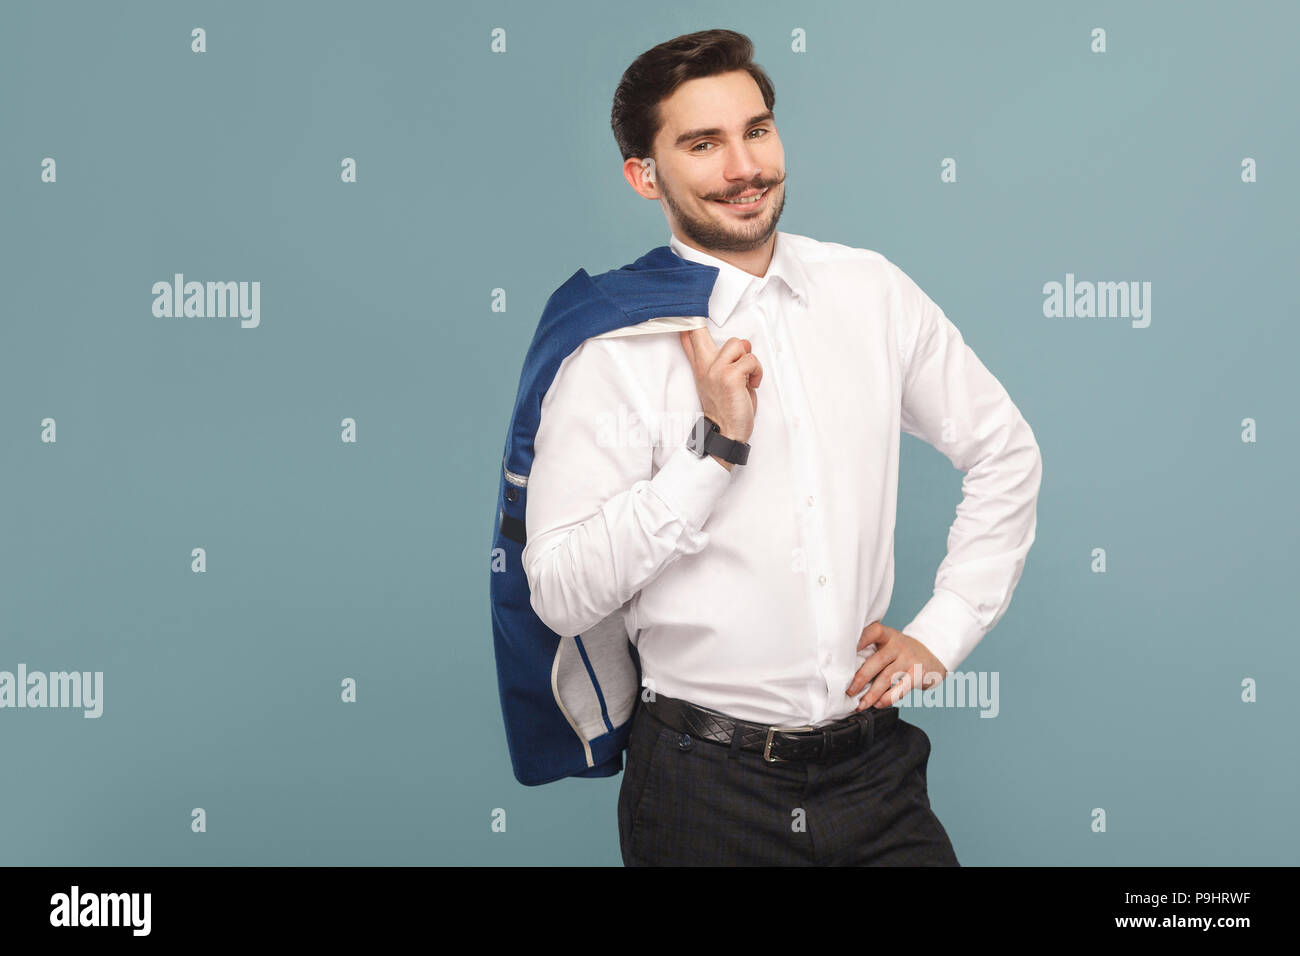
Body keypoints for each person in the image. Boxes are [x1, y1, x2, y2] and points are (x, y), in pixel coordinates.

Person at [521, 29, 1042, 866]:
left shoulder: (868, 290)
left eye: (756, 130)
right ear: (643, 175)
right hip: (703, 788)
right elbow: (558, 592)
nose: (744, 167)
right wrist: (714, 450)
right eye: (703, 144)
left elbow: (1004, 450)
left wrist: (944, 630)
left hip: (875, 772)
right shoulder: (612, 345)